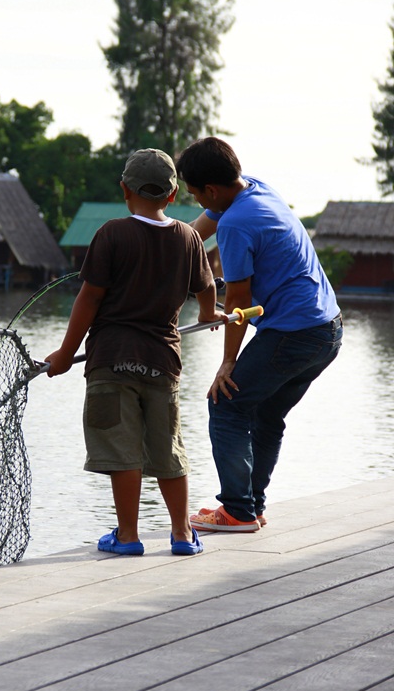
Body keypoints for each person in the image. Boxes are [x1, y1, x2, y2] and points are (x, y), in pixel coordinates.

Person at [45, 148, 225, 556]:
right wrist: (212, 314)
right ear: (173, 193)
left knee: (122, 450)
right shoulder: (188, 237)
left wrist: (63, 354)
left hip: (111, 362)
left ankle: (128, 537)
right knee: (167, 447)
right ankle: (181, 534)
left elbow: (89, 301)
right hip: (163, 364)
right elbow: (207, 288)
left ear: (124, 190)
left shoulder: (111, 233)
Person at [175, 137, 343, 532]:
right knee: (267, 413)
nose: (198, 202)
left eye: (196, 194)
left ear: (211, 190)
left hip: (294, 333)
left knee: (226, 402)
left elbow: (238, 302)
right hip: (328, 330)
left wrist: (227, 363)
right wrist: (167, 247)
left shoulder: (235, 224)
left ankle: (236, 510)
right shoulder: (252, 187)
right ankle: (249, 508)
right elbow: (194, 235)